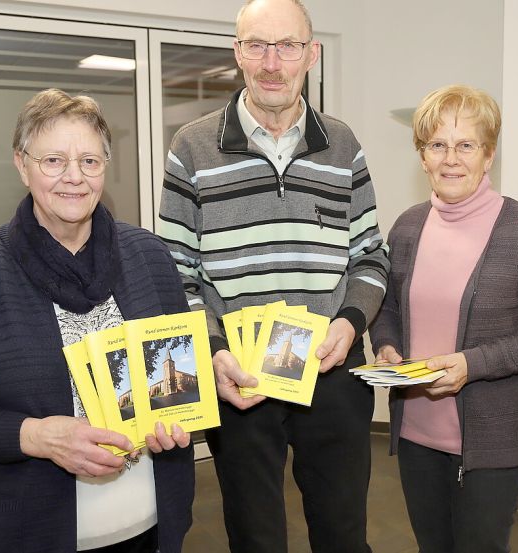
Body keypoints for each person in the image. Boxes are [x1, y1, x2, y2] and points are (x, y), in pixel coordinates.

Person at [0, 89, 195, 553]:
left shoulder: (148, 255)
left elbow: (179, 377)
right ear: (22, 165)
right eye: (53, 161)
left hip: (152, 526)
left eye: (89, 160)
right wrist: (38, 436)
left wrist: (179, 417)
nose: (74, 177)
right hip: (33, 533)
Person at [156, 1, 390, 552]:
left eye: (287, 45)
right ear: (237, 53)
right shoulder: (191, 147)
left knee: (343, 536)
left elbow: (371, 257)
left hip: (332, 371)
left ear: (311, 54)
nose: (272, 62)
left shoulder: (343, 144)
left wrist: (352, 324)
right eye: (257, 45)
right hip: (240, 378)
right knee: (255, 538)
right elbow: (175, 271)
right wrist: (212, 352)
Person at [368, 84, 518, 553]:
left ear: (489, 155)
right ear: (422, 156)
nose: (451, 158)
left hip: (494, 440)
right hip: (415, 433)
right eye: (437, 145)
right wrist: (386, 346)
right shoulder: (407, 225)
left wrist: (472, 364)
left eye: (466, 145)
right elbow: (387, 305)